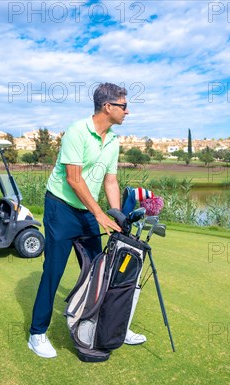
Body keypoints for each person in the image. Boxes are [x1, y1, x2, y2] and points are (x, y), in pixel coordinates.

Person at [28, 82, 146, 358]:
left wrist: (117, 214)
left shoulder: (114, 140)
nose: (127, 111)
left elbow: (111, 180)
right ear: (108, 106)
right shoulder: (77, 132)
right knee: (54, 271)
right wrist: (99, 213)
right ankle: (37, 333)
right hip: (61, 208)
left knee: (103, 272)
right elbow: (74, 180)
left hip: (86, 210)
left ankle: (112, 327)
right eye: (124, 106)